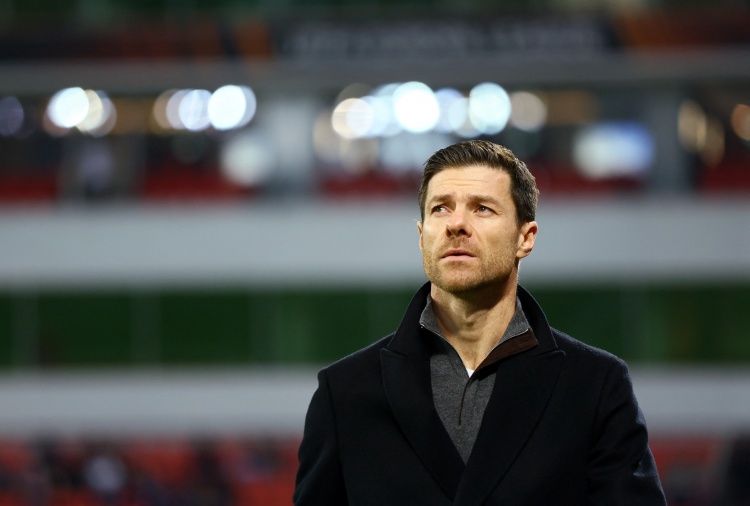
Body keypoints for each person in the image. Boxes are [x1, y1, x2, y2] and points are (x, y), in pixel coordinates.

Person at [294, 140, 666, 505]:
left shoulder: (596, 386)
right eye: (440, 208)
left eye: (482, 208)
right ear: (422, 237)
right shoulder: (344, 392)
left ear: (525, 238)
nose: (456, 223)